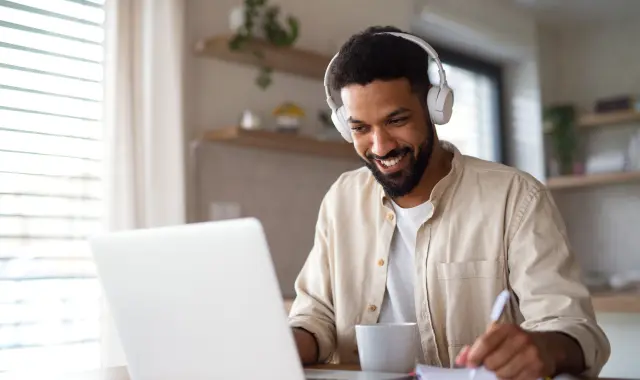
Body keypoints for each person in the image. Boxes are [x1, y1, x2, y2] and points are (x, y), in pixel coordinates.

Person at [287, 25, 610, 380]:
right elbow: (314, 315)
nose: (380, 147)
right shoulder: (341, 199)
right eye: (361, 128)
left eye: (396, 120)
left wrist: (545, 349)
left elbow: (575, 328)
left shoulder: (515, 197)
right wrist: (284, 341)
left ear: (435, 108)